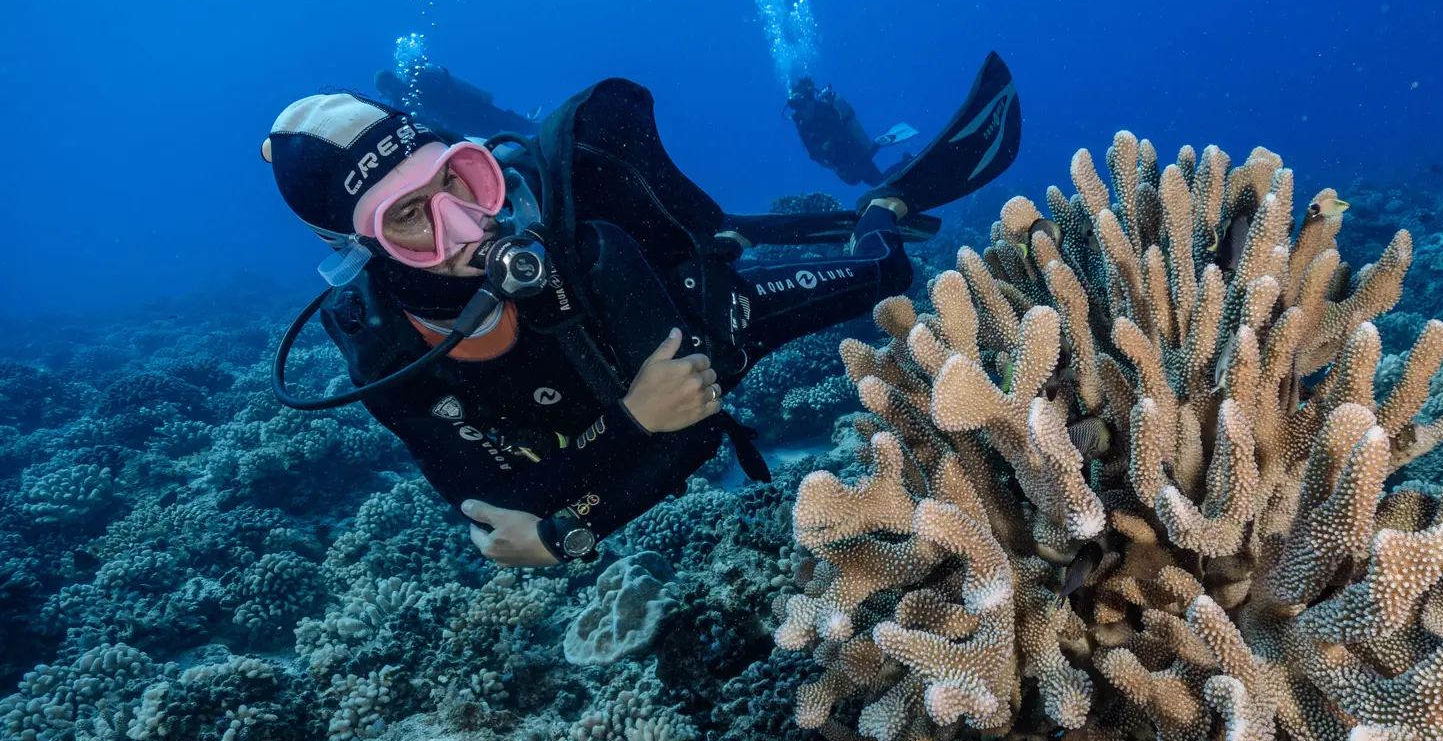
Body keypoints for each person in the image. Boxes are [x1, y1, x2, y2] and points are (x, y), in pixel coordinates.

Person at [264, 55, 1019, 567]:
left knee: (883, 271)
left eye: (460, 181)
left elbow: (688, 431)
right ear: (356, 247)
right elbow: (492, 509)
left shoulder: (584, 249)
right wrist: (627, 429)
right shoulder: (385, 349)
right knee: (737, 247)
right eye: (409, 219)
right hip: (624, 382)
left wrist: (566, 528)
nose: (467, 229)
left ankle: (881, 204)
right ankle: (749, 229)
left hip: (710, 320)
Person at [785, 76, 917, 187]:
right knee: (871, 182)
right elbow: (813, 153)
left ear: (810, 100)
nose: (799, 110)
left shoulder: (826, 112)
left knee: (879, 183)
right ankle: (884, 152)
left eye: (800, 104)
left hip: (855, 155)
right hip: (842, 165)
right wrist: (833, 166)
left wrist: (829, 147)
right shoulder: (801, 124)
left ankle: (907, 162)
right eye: (794, 106)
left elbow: (840, 134)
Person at [376, 62, 541, 141]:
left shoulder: (417, 80)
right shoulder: (403, 101)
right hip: (464, 118)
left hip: (468, 112)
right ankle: (536, 130)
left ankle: (540, 129)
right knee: (502, 135)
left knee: (505, 131)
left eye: (386, 90)